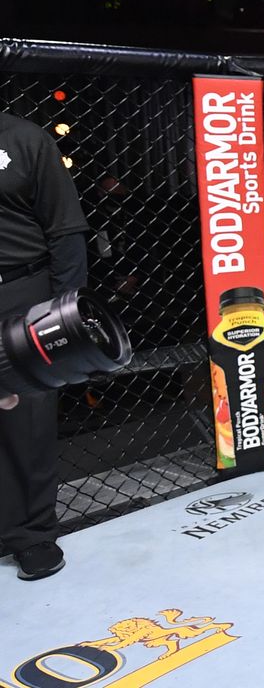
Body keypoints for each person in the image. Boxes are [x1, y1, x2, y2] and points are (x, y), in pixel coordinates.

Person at [0, 111, 90, 580]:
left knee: (26, 417)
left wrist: (63, 311)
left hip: (19, 292)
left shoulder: (24, 139)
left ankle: (32, 535)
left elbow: (65, 229)